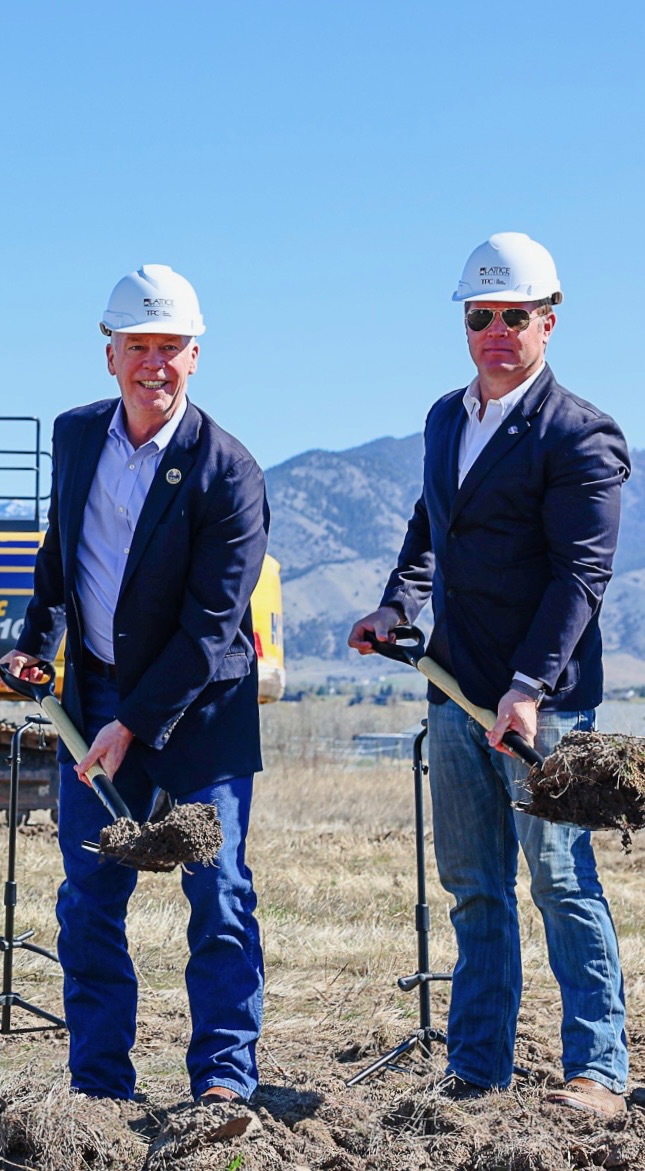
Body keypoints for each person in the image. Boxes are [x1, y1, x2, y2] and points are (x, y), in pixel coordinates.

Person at [348, 233, 630, 1116]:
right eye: (481, 316)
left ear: (548, 321)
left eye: (515, 316)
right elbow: (426, 532)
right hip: (451, 689)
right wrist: (396, 608)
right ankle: (477, 1070)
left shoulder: (580, 433)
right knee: (473, 888)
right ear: (464, 322)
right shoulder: (444, 419)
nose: (497, 331)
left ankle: (598, 1070)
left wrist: (527, 687)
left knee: (558, 878)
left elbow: (579, 576)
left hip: (538, 706)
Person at [0, 266, 269, 1108]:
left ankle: (222, 1083)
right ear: (109, 351)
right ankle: (99, 1088)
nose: (152, 364)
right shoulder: (76, 435)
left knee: (216, 893)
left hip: (200, 710)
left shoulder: (228, 471)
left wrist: (134, 726)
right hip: (96, 698)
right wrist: (34, 642)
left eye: (169, 349)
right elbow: (58, 555)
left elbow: (212, 625)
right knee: (88, 896)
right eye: (137, 347)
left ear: (195, 356)